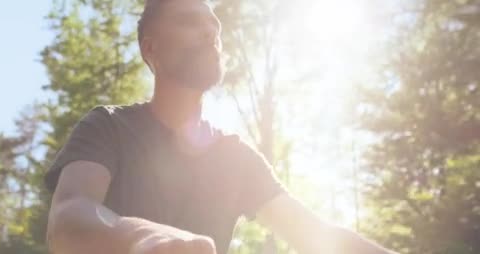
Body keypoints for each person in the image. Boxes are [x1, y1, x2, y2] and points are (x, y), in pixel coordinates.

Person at [44, 0, 399, 253]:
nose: (210, 32)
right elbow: (68, 217)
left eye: (214, 26)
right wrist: (141, 238)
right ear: (149, 47)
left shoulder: (236, 158)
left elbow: (316, 235)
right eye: (189, 21)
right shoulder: (108, 126)